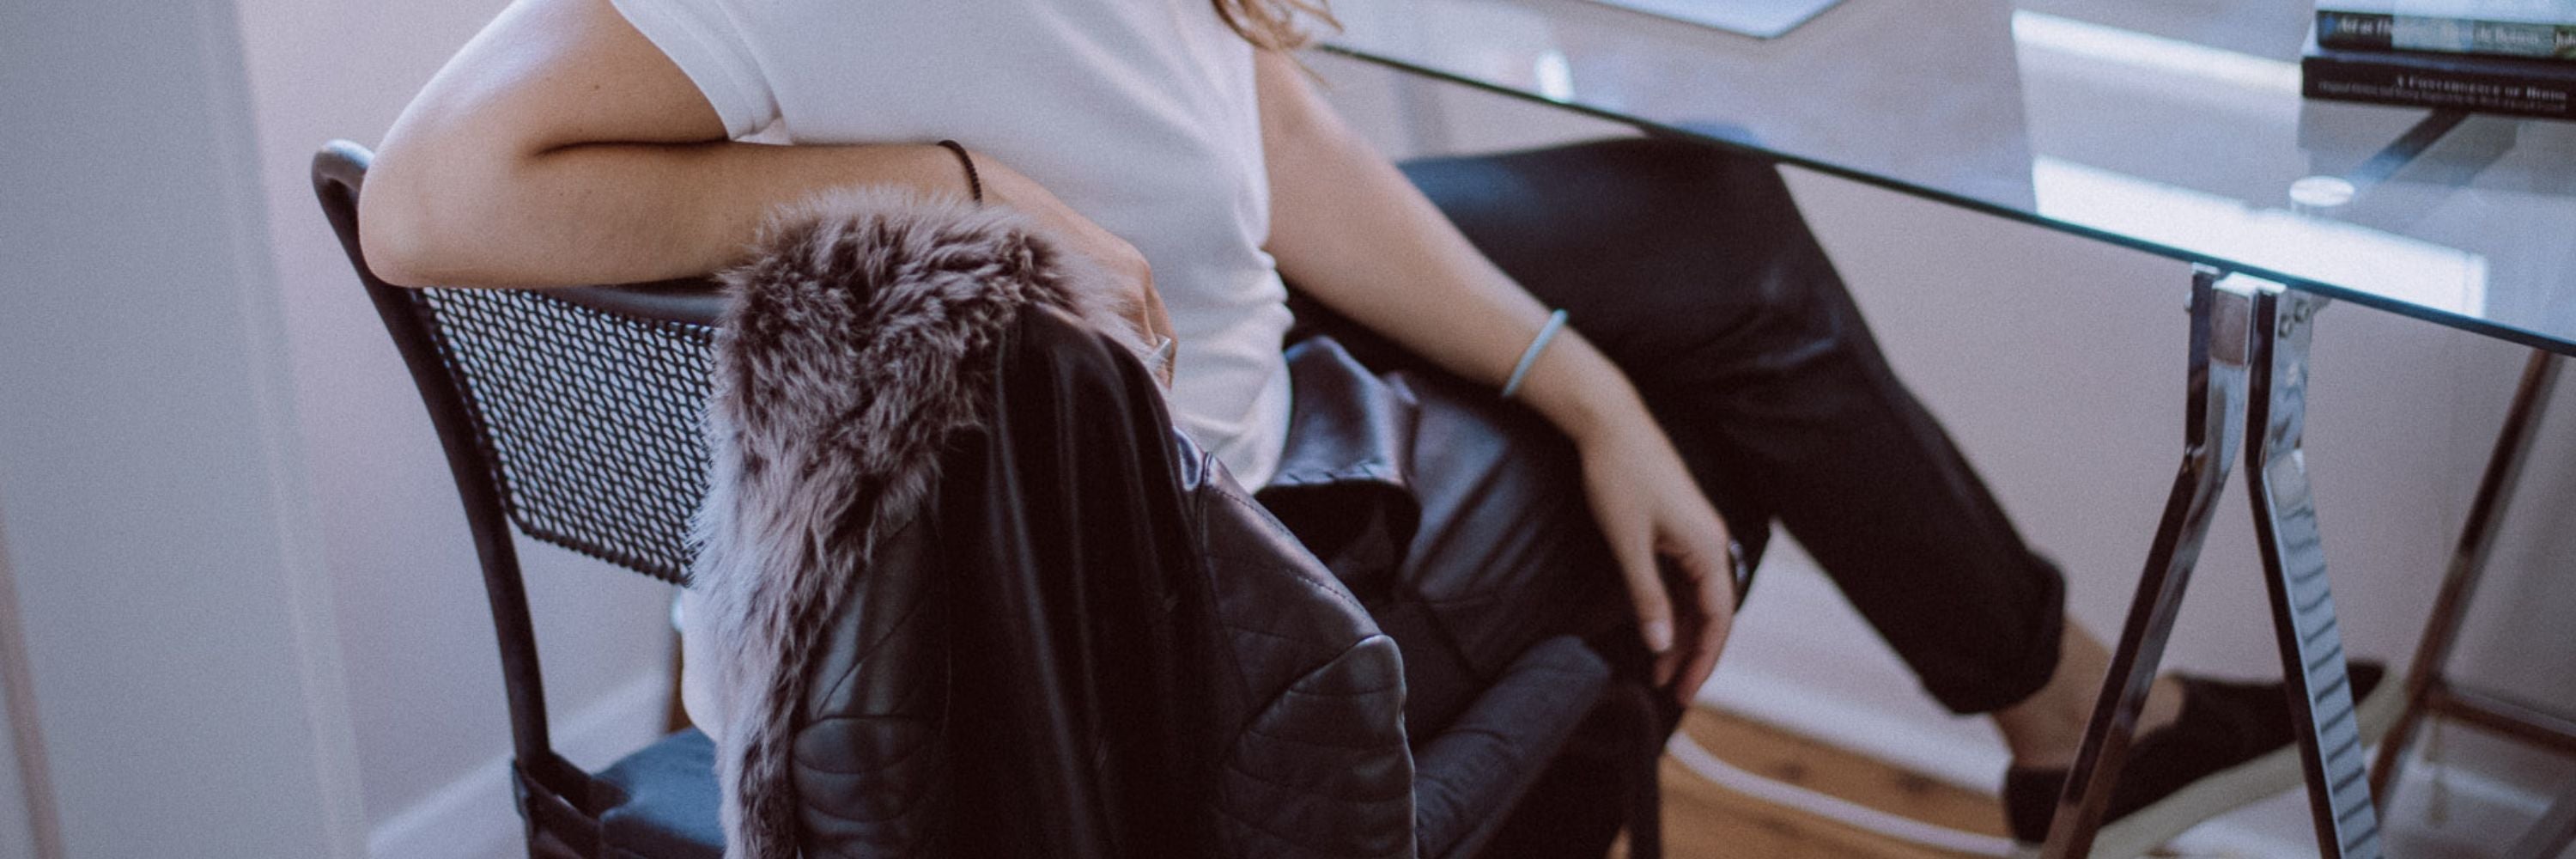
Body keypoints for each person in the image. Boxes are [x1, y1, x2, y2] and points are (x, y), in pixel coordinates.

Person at [360, 0, 2385, 853]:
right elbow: (425, 196)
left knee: (1702, 238)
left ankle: (2056, 710)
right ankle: (2055, 718)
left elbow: (1252, 138)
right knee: (1720, 342)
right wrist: (950, 179)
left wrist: (1562, 372)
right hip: (1210, 605)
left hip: (1138, 423)